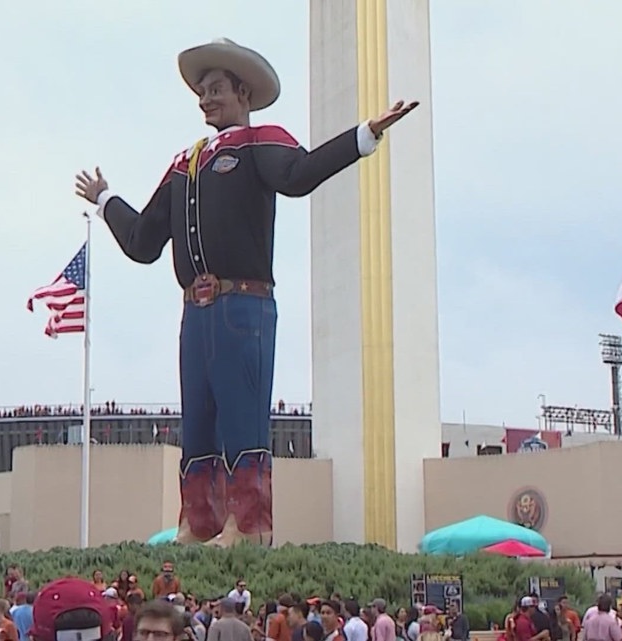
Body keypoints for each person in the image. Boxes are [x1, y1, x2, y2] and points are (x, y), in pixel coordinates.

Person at [74, 37, 419, 547]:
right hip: (196, 310)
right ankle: (198, 521)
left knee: (241, 413)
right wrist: (106, 200)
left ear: (244, 94)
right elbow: (144, 241)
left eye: (215, 89)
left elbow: (299, 176)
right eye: (201, 91)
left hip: (244, 304)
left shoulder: (260, 142)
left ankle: (250, 524)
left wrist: (362, 136)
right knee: (199, 419)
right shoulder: (184, 164)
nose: (205, 99)